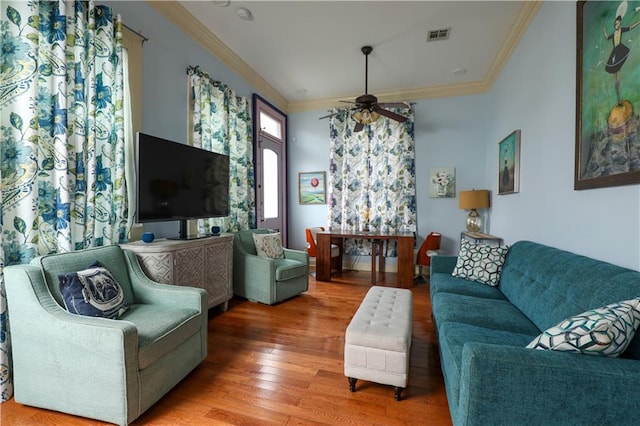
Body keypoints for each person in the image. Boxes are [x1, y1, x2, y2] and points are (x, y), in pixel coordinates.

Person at [603, 14, 640, 106]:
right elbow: (607, 37)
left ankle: (619, 100)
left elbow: (631, 27)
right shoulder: (614, 33)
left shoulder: (621, 30)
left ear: (620, 24)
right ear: (614, 25)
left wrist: (639, 22)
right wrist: (604, 30)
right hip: (614, 53)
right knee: (615, 78)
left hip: (620, 50)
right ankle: (618, 100)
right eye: (616, 24)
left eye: (618, 23)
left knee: (617, 76)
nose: (617, 25)